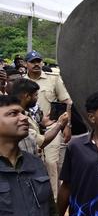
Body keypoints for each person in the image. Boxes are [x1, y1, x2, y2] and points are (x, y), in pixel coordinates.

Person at [26, 51, 70, 199]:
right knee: (34, 164)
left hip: (52, 126)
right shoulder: (21, 82)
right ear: (26, 64)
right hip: (30, 129)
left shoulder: (53, 79)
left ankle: (54, 201)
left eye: (39, 61)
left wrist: (66, 125)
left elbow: (67, 102)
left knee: (51, 163)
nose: (36, 64)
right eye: (33, 61)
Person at [8, 78, 69, 158]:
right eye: (36, 95)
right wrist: (60, 124)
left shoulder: (25, 113)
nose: (37, 98)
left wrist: (42, 125)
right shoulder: (18, 118)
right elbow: (42, 142)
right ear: (27, 96)